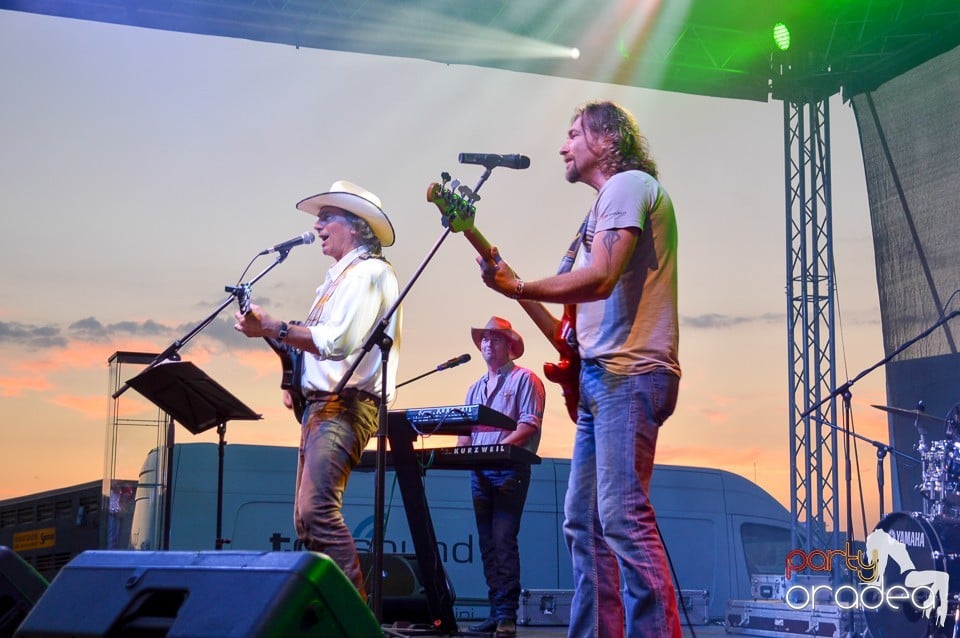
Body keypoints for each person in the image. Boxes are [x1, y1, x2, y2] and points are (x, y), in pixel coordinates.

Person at [477, 100, 682, 637]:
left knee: (620, 518)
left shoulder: (627, 185)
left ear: (606, 140)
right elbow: (567, 335)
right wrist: (512, 286)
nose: (563, 146)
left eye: (572, 134)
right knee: (585, 525)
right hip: (599, 376)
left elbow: (602, 277)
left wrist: (518, 287)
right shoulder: (597, 212)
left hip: (628, 374)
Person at [234, 180, 400, 600]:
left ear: (358, 226)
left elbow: (338, 341)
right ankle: (331, 614)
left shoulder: (370, 273)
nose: (319, 225)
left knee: (316, 512)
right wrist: (292, 373)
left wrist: (274, 327)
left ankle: (355, 623)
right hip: (323, 406)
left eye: (328, 217)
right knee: (307, 522)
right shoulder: (337, 279)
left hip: (345, 405)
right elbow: (319, 346)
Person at [457, 317, 545, 637]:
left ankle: (507, 615)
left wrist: (495, 449)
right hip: (480, 473)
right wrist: (458, 452)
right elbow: (464, 433)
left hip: (508, 470)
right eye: (484, 339)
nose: (487, 344)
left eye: (494, 339)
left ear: (510, 347)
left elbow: (528, 425)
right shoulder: (473, 388)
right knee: (486, 544)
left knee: (503, 539)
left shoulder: (527, 379)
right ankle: (496, 612)